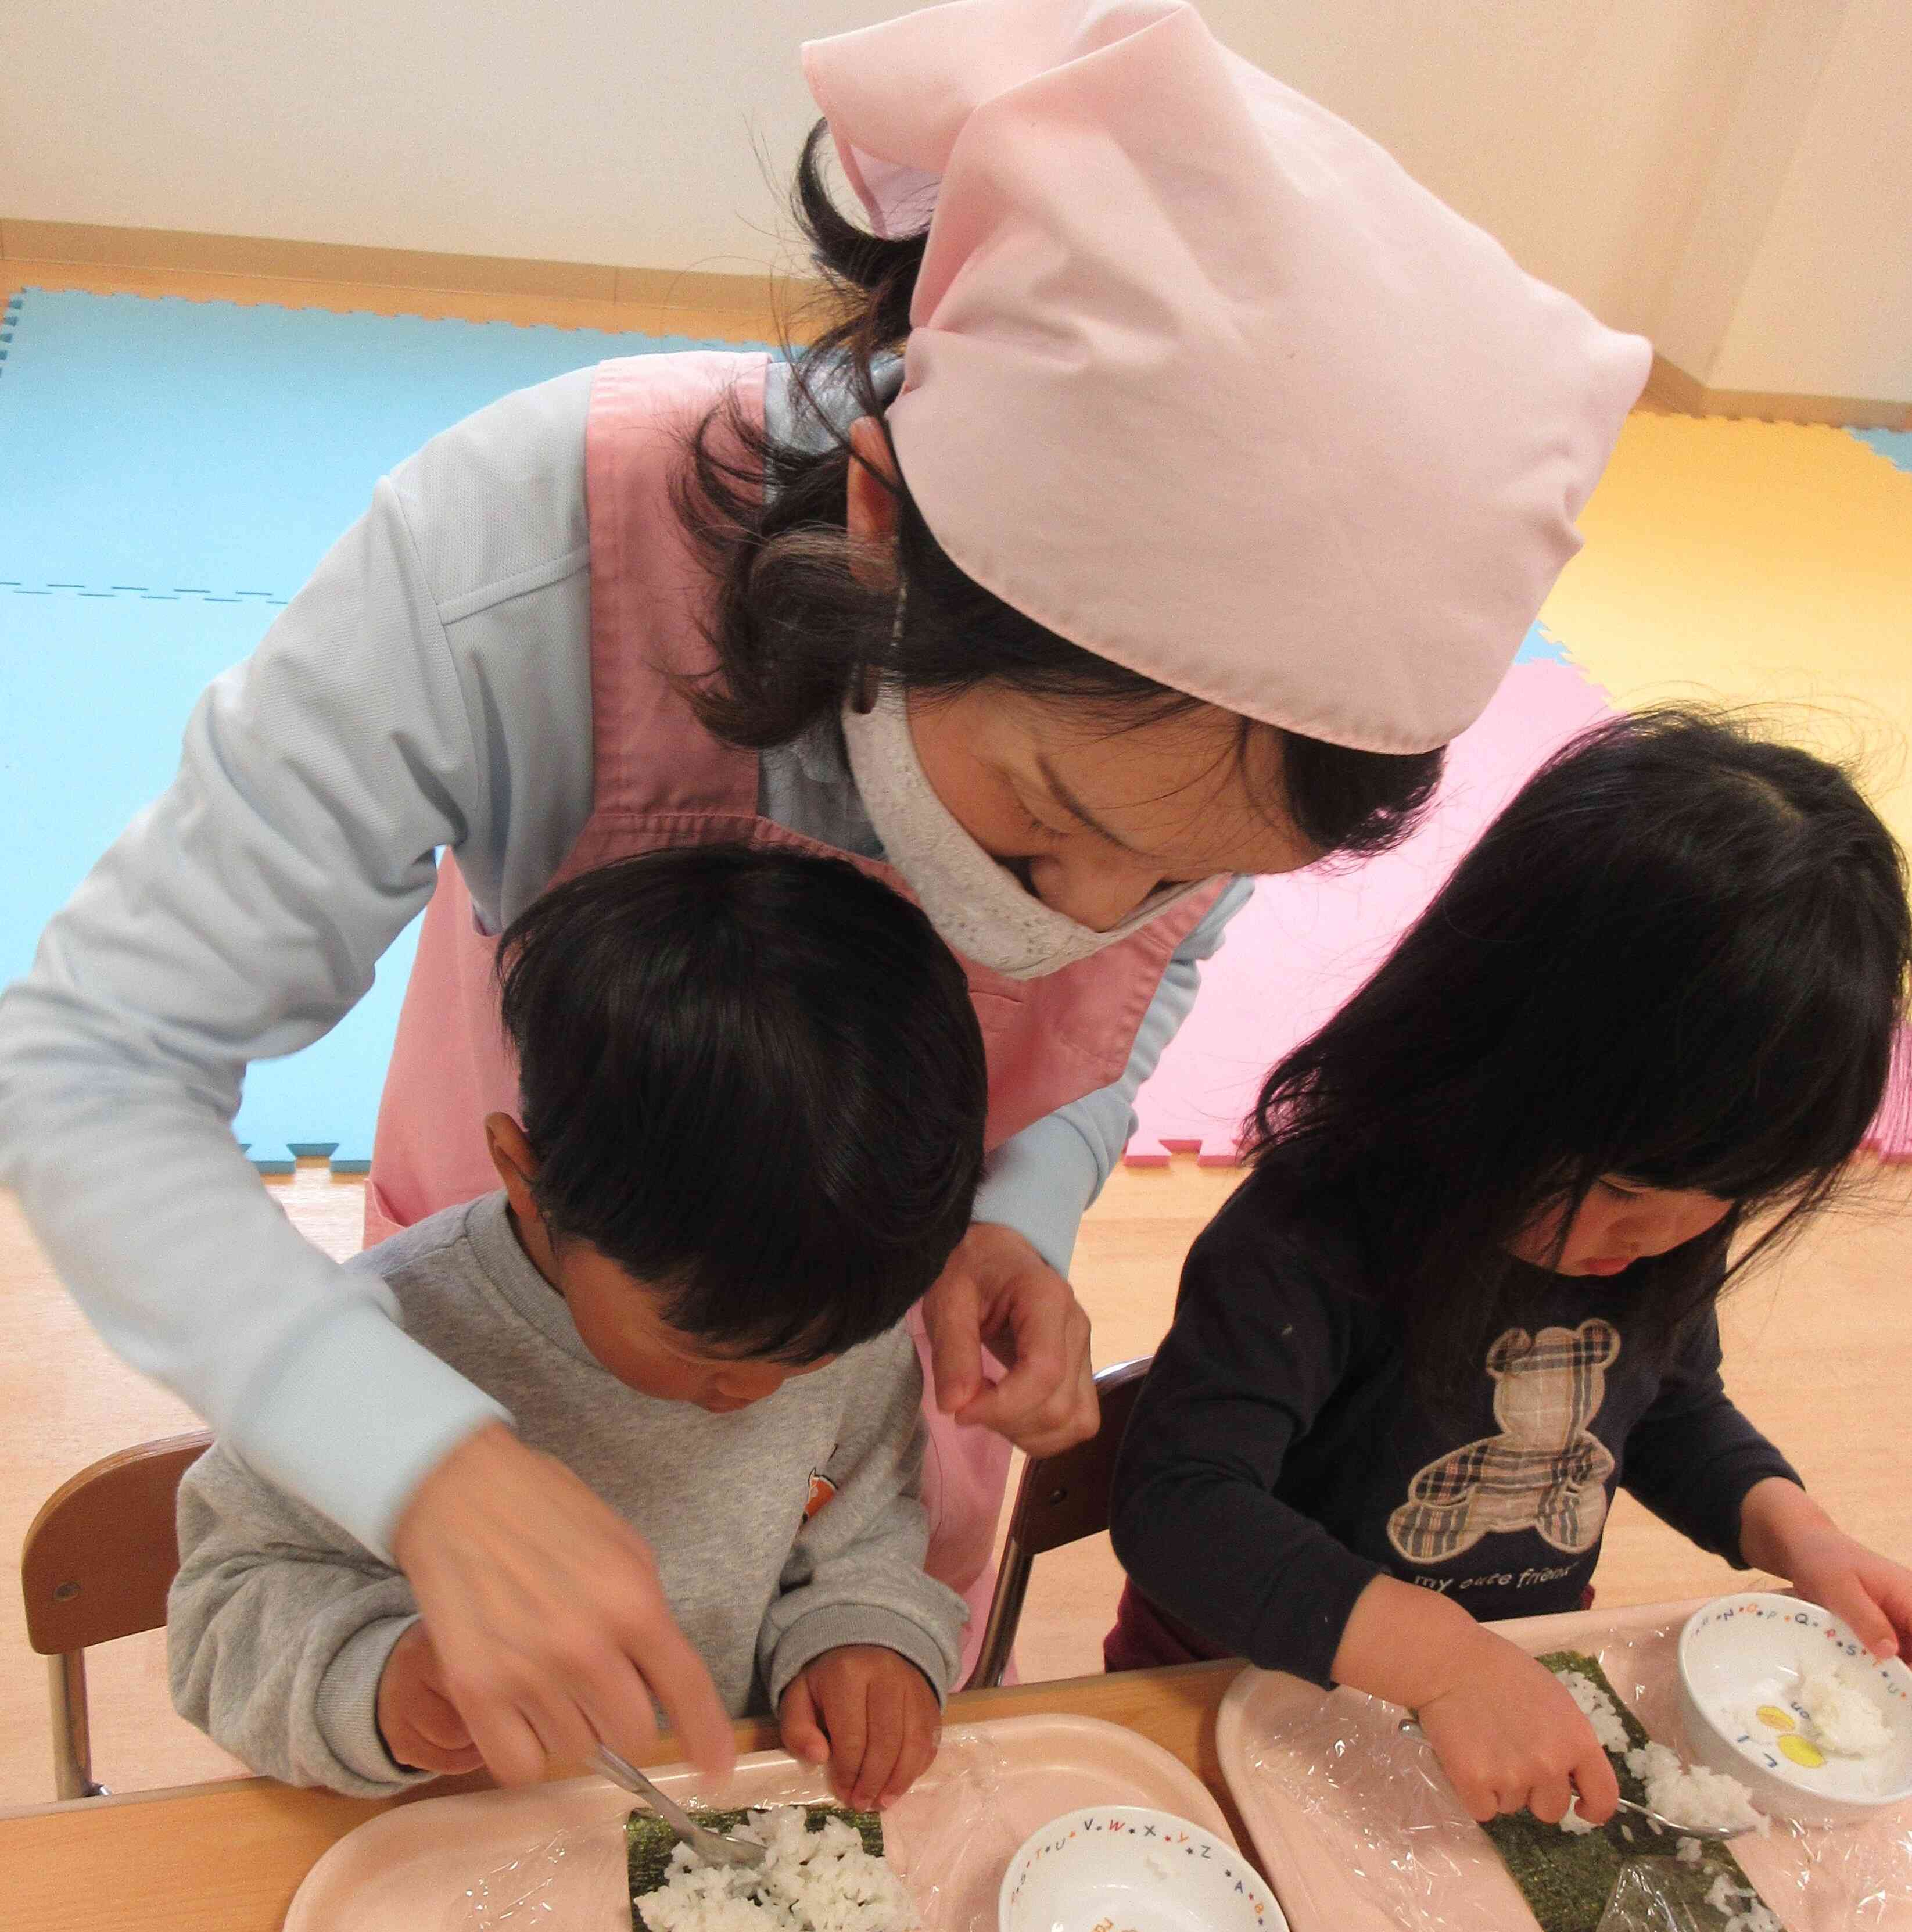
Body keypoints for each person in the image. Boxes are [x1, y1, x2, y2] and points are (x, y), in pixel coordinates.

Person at [0, 0, 1649, 1790]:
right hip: (559, 1306)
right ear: (880, 522)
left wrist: (1022, 1196)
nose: (1075, 914)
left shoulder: (1228, 755)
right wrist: (417, 1457)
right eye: (1037, 829)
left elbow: (1129, 1001)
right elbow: (92, 1058)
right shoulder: (526, 554)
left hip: (861, 1363)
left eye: (1186, 870)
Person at [1107, 711, 1912, 1826]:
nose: (1652, 1242)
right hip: (1240, 1695)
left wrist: (1799, 1533)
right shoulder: (1311, 1233)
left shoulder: (1661, 1204)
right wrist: (1439, 1659)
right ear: (1480, 1057)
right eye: (1624, 1191)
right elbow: (1179, 1507)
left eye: (1720, 1205)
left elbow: (1666, 1403)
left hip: (1497, 1697)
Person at [168, 850, 983, 1807]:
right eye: (708, 1356)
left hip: (714, 1817)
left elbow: (865, 1530)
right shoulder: (380, 1343)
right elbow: (222, 1613)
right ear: (526, 1176)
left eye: (814, 1359)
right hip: (457, 1836)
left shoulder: (826, 1303)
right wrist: (389, 1684)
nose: (762, 1393)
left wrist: (865, 1633)